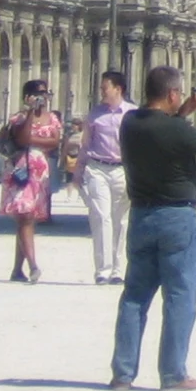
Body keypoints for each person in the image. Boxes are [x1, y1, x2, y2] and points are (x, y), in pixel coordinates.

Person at [111, 67, 196, 391]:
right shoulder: (177, 131)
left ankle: (123, 373)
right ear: (173, 94)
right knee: (179, 296)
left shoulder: (130, 122)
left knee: (135, 296)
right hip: (176, 217)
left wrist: (187, 108)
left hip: (142, 216)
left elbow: (166, 126)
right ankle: (173, 373)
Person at [1, 78, 63, 282]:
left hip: (40, 172)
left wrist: (33, 141)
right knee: (25, 215)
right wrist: (29, 113)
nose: (42, 97)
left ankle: (16, 270)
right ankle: (33, 266)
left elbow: (54, 141)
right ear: (27, 97)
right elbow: (21, 138)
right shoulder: (18, 118)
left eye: (45, 93)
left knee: (27, 219)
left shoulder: (52, 118)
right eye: (38, 94)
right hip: (20, 170)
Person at [80, 71, 133, 284]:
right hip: (97, 168)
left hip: (122, 169)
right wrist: (77, 174)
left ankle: (118, 269)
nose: (101, 91)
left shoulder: (132, 114)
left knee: (121, 220)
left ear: (117, 89)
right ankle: (103, 269)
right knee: (101, 217)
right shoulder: (94, 114)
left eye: (105, 87)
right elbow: (85, 145)